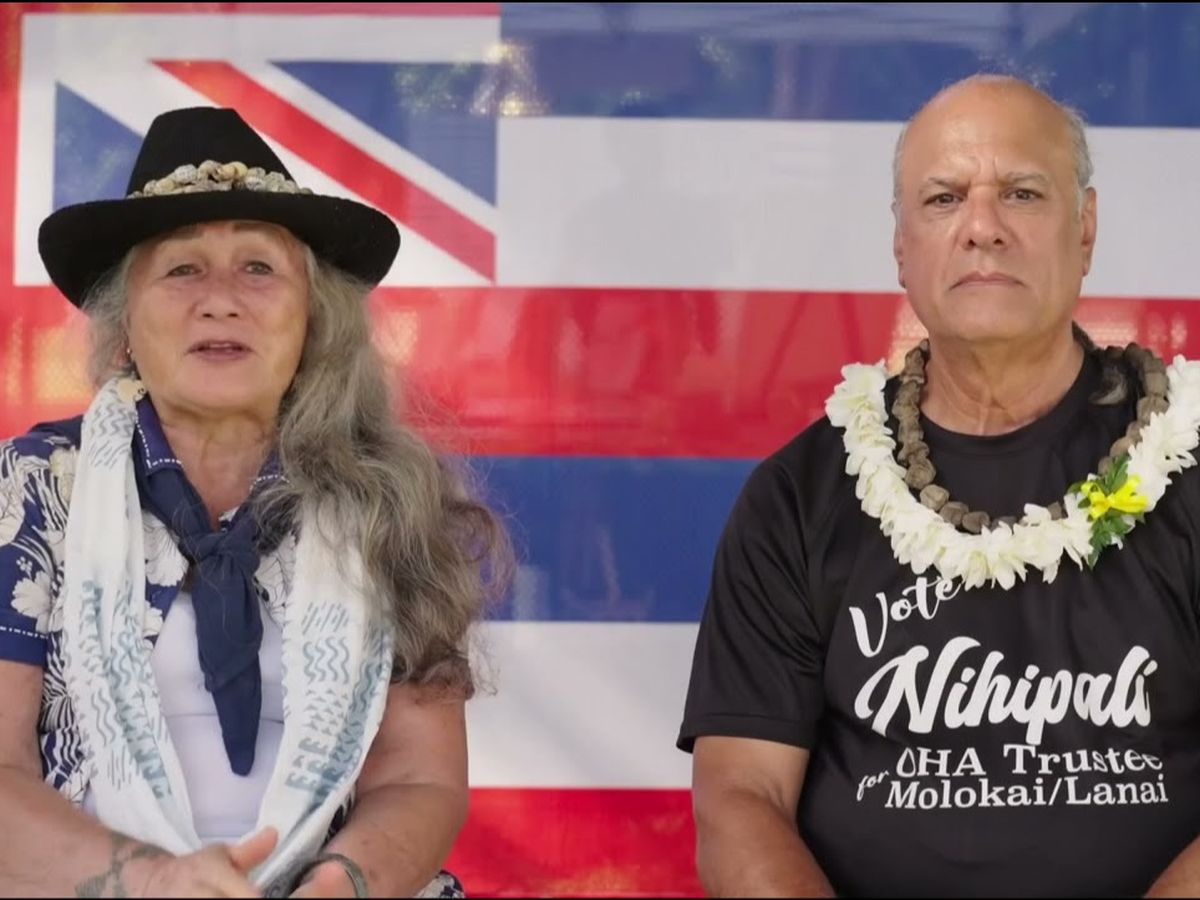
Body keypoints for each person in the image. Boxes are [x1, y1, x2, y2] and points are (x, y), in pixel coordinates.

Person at [678, 73, 1200, 897]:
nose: (982, 228)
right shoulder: (798, 497)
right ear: (901, 243)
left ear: (1085, 229)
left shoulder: (1187, 466)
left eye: (1022, 193)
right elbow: (742, 797)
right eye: (944, 198)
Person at [0, 106, 510, 897]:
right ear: (125, 323)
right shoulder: (33, 486)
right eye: (182, 269)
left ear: (313, 320)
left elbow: (420, 779)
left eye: (258, 268)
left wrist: (336, 888)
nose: (221, 300)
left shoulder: (390, 497)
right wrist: (159, 883)